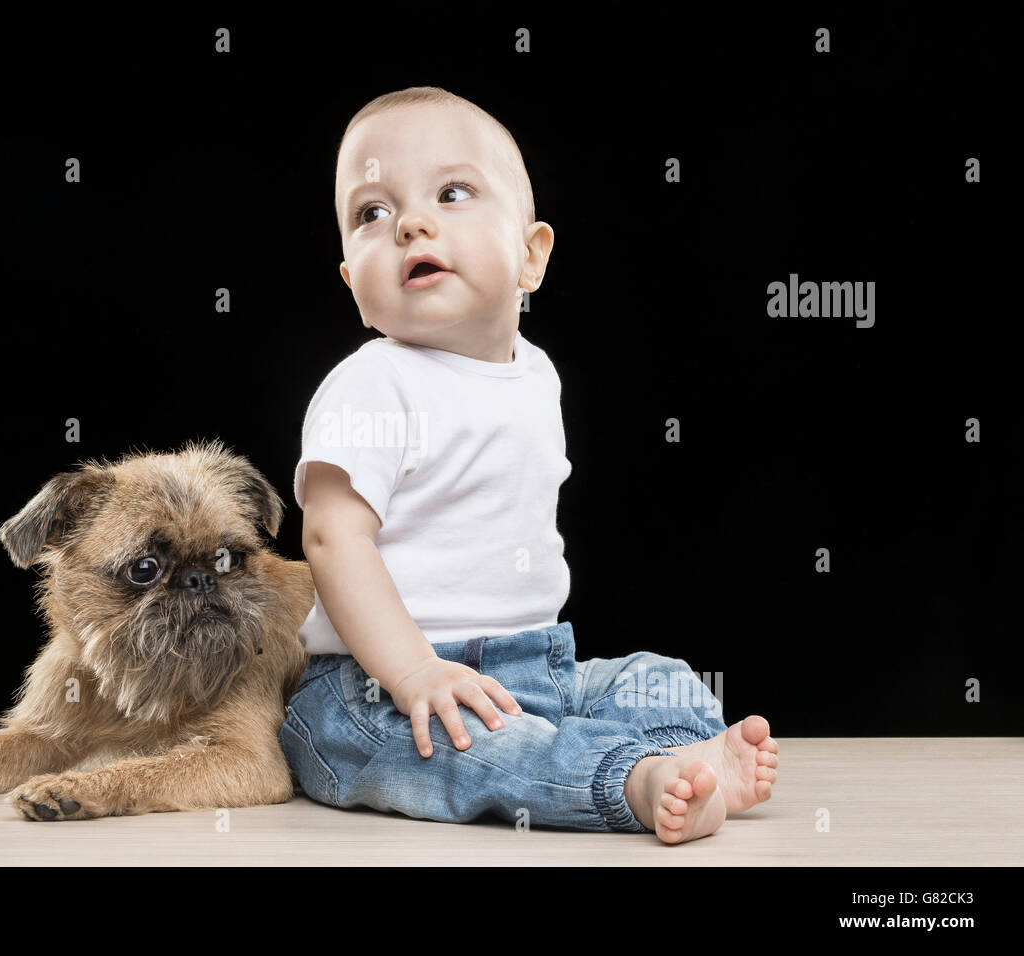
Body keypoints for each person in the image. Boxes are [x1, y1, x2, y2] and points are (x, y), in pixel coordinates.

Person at [280, 87, 778, 843]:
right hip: (373, 691)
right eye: (372, 214)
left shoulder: (537, 375)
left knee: (661, 678)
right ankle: (630, 781)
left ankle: (683, 761)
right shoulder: (371, 383)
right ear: (354, 285)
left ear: (531, 256)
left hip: (532, 665)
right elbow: (331, 540)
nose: (410, 222)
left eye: (452, 193)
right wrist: (413, 671)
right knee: (477, 755)